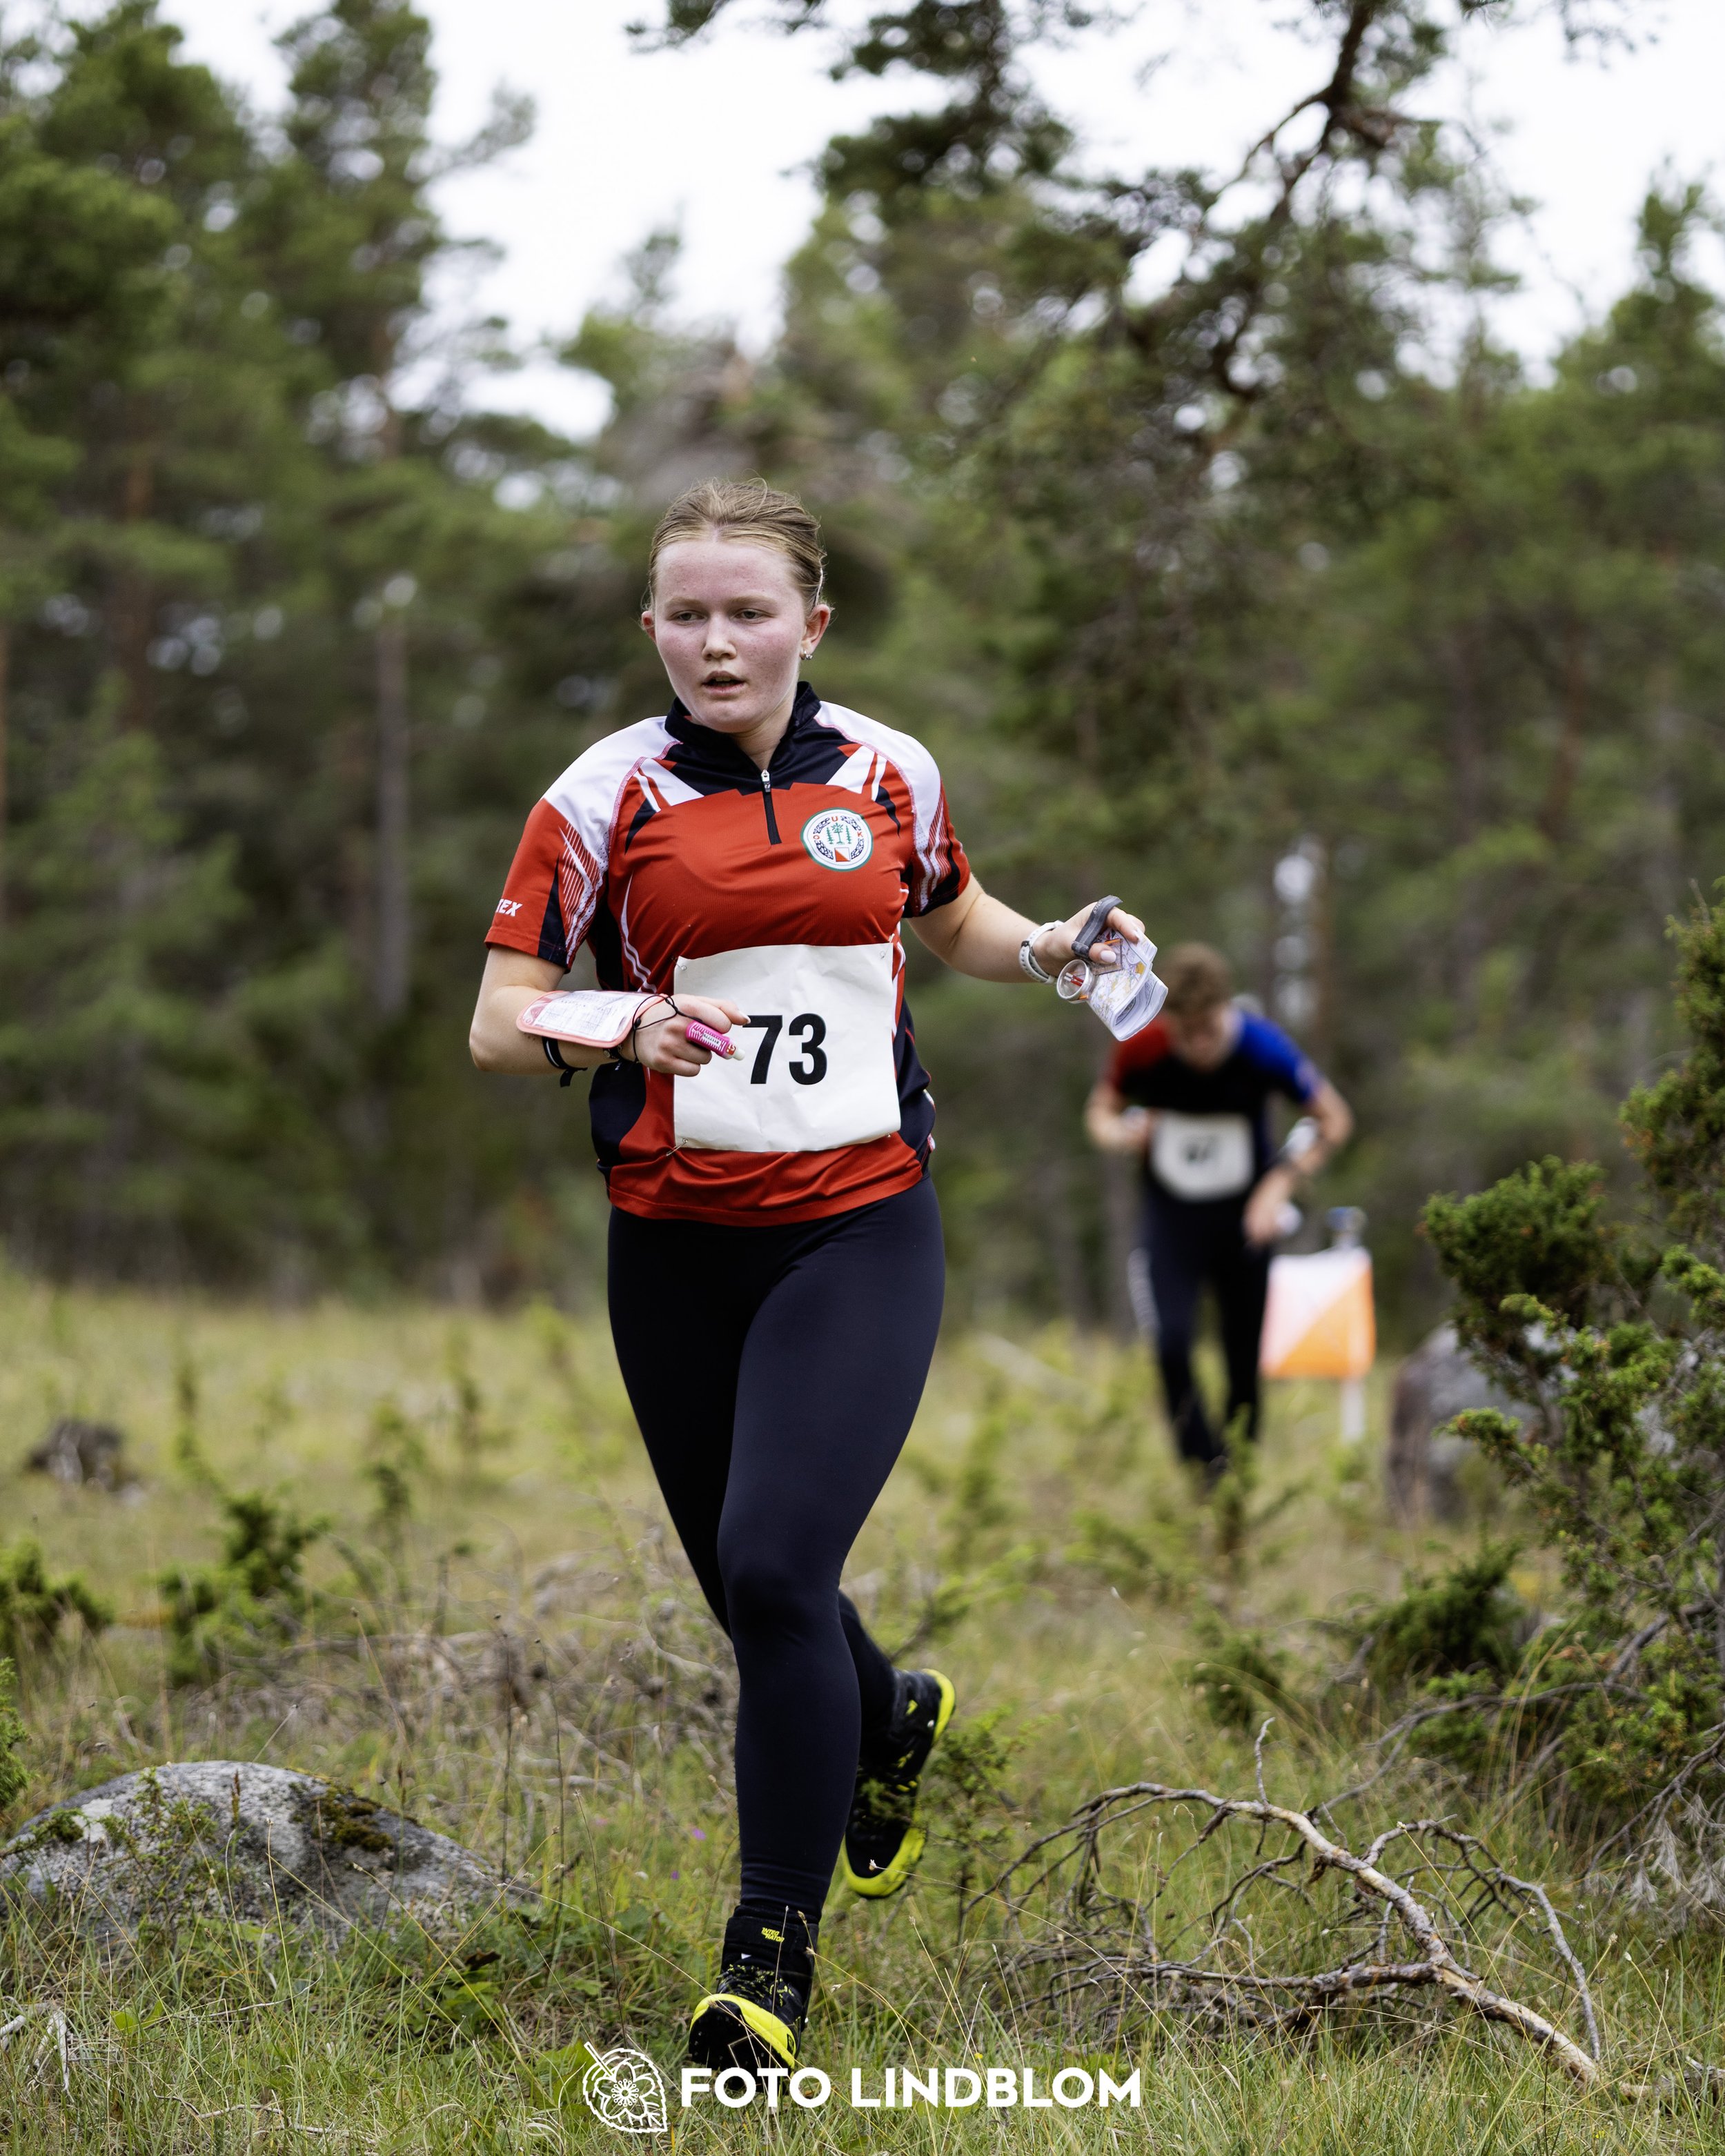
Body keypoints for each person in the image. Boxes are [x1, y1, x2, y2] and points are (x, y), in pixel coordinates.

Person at [469, 477, 1145, 2072]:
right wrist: (614, 1019)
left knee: (776, 1564)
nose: (716, 640)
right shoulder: (598, 794)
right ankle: (888, 1708)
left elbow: (952, 913)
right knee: (744, 1588)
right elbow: (504, 1017)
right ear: (651, 630)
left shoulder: (891, 770)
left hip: (859, 1225)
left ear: (809, 626)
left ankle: (765, 1966)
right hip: (675, 1243)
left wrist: (1050, 948)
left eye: (747, 610)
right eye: (686, 614)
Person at [1085, 943, 1352, 1474]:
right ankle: (1204, 1475)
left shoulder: (1261, 1048)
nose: (1200, 1043)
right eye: (1187, 1030)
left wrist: (1279, 1185)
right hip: (1172, 1220)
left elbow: (1335, 1119)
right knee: (1171, 1343)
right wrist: (1122, 1133)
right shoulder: (1146, 1047)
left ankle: (1240, 1481)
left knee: (1242, 1361)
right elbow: (1101, 1109)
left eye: (1209, 1026)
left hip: (1245, 1221)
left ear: (1226, 1009)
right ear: (1170, 1021)